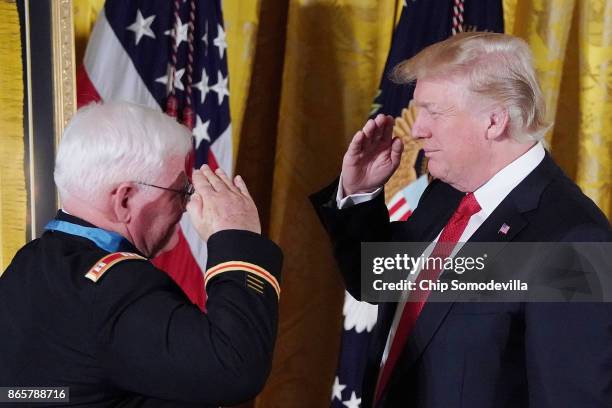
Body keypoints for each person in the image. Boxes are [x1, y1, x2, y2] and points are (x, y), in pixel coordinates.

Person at [312, 32, 611, 407]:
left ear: (494, 121)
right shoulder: (448, 191)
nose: (417, 129)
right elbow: (379, 280)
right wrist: (359, 195)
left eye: (433, 111)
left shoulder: (574, 239)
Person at [0, 102, 282, 407]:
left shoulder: (27, 263)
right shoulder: (112, 288)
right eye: (180, 191)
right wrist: (237, 238)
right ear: (125, 199)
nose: (188, 205)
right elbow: (235, 368)